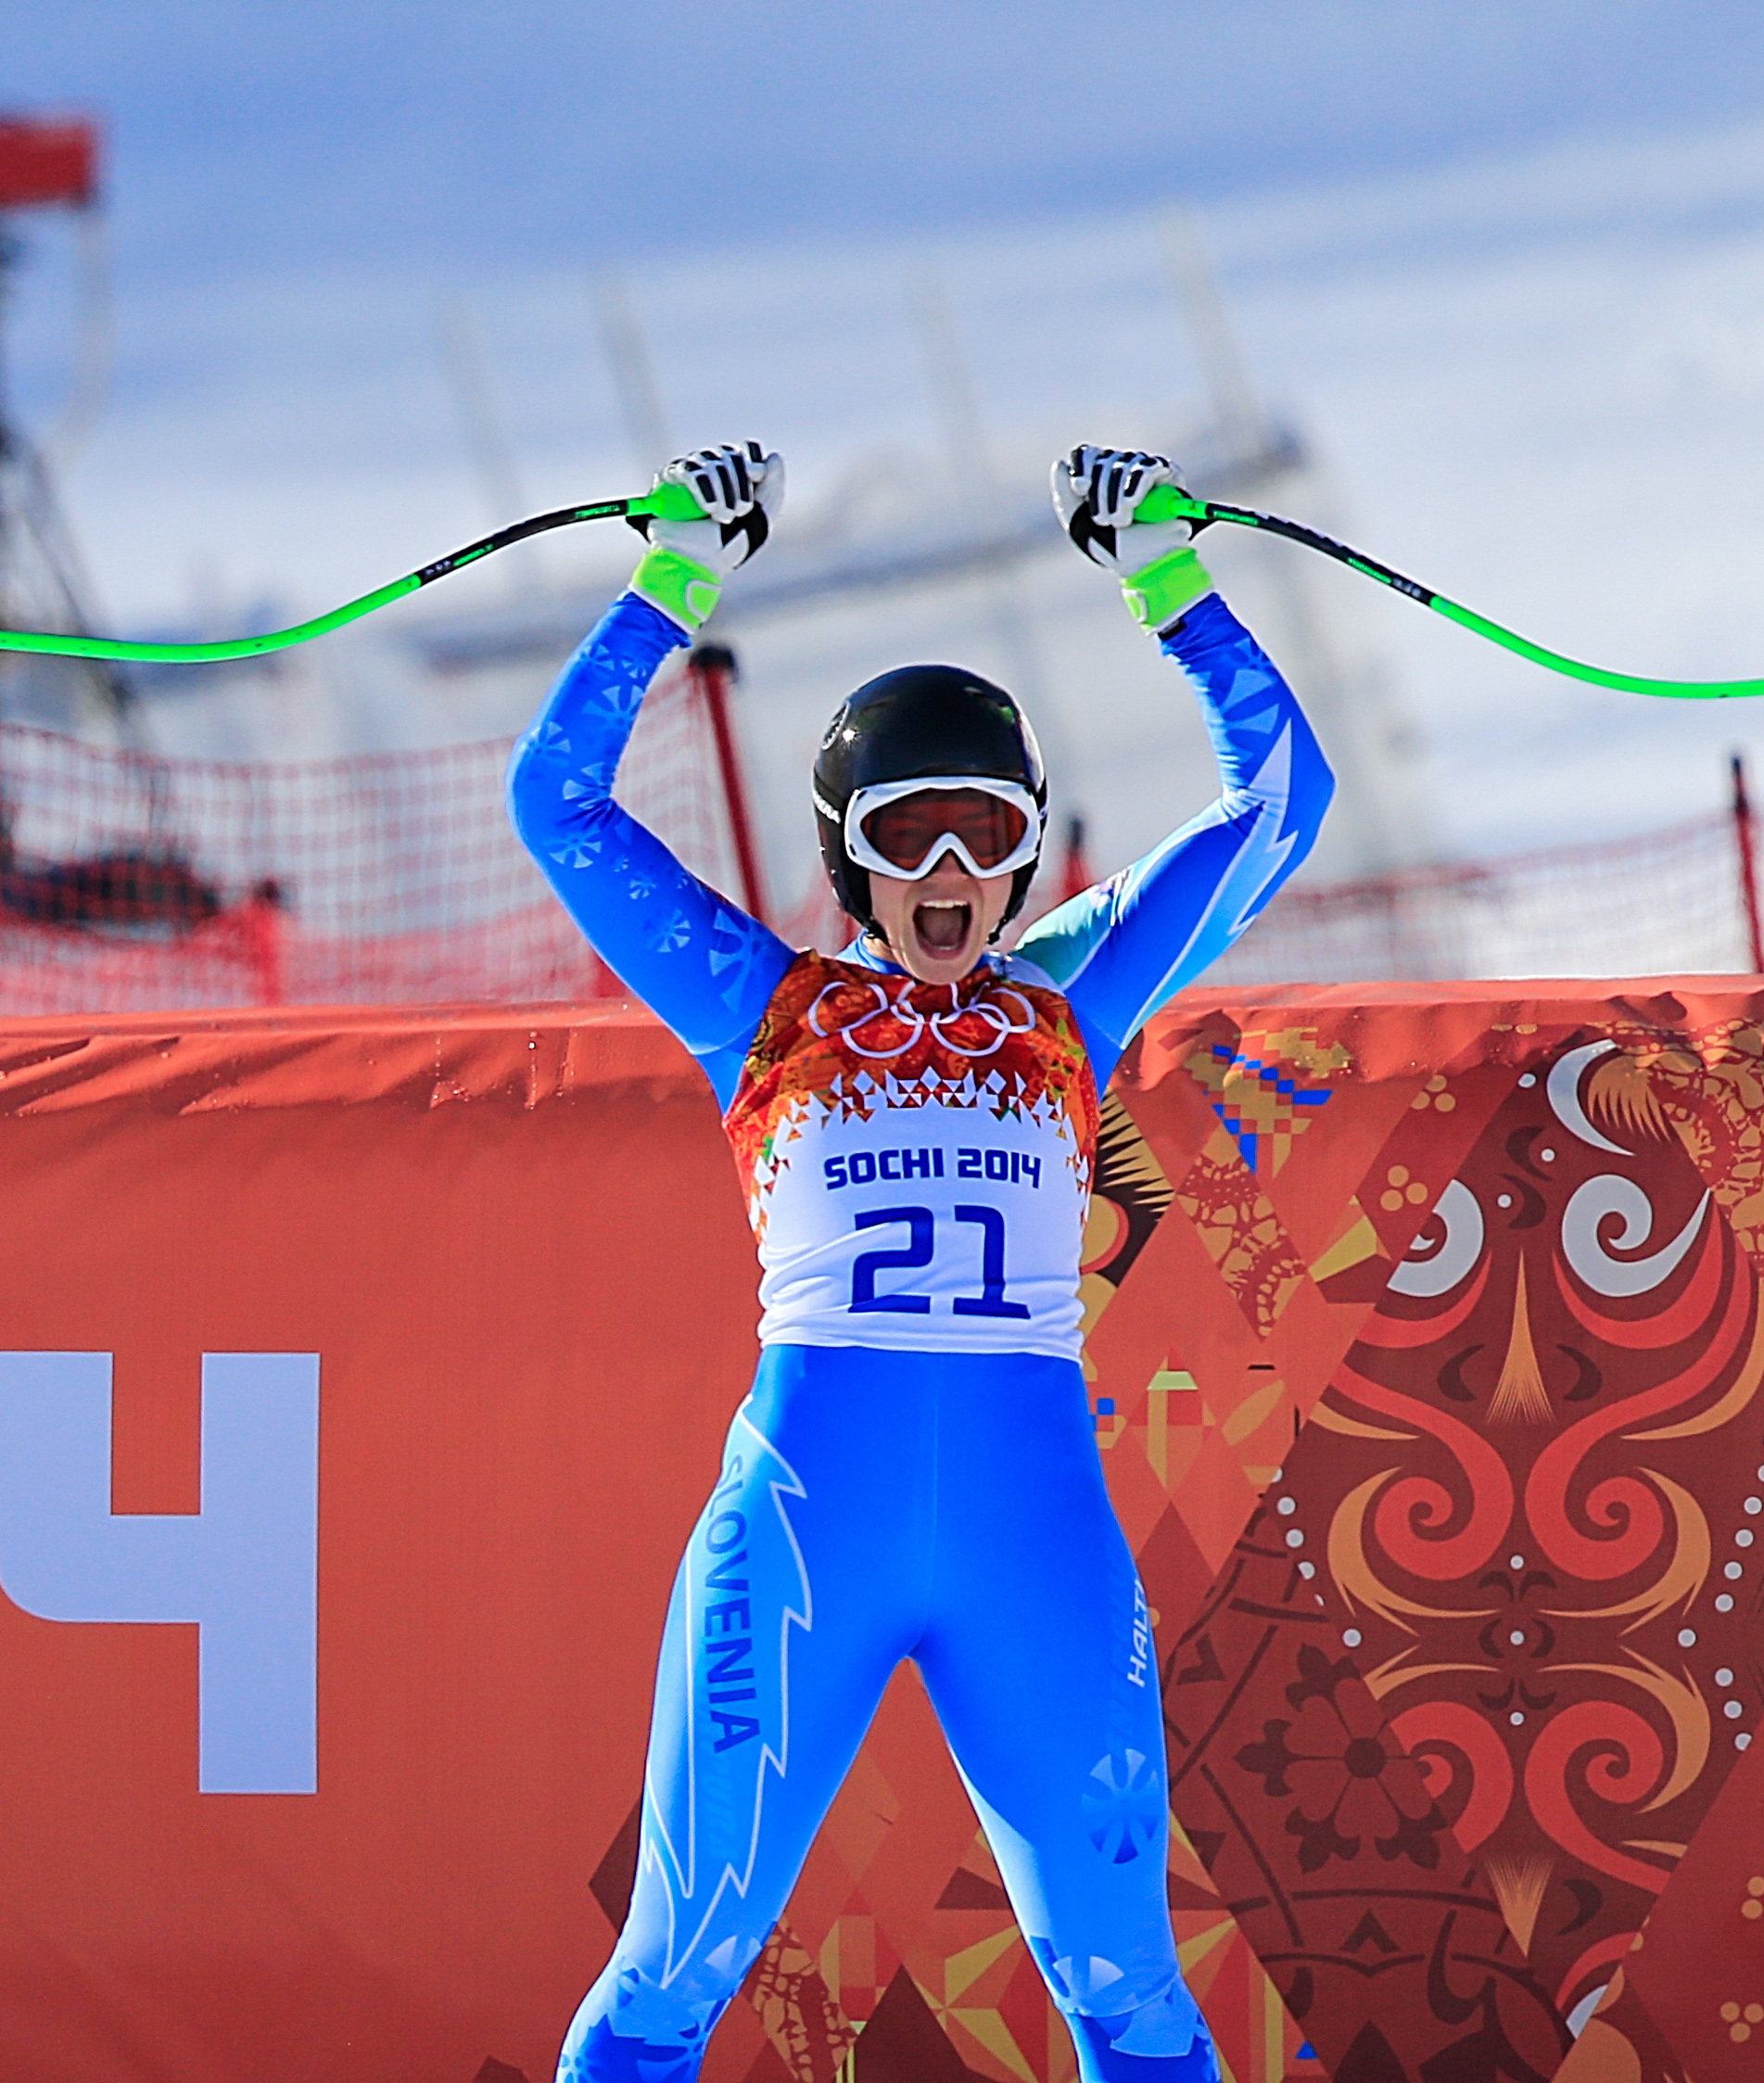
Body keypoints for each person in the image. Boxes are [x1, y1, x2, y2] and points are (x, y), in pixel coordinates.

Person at [509, 440, 1331, 2083]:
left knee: (1127, 1989)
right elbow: (558, 802)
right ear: (850, 856)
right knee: (672, 1972)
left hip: (1034, 1538)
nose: (949, 876)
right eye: (910, 835)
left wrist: (1170, 584)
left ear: (1025, 854)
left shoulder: (1072, 997)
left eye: (984, 833)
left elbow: (1280, 807)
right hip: (805, 1534)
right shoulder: (763, 1008)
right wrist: (671, 579)